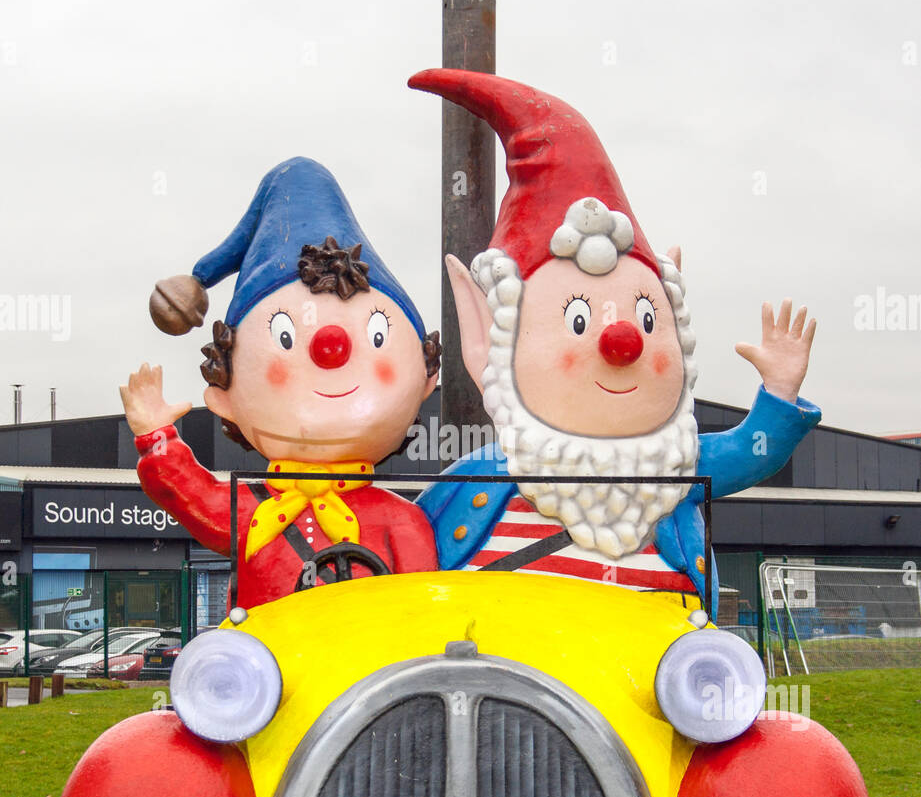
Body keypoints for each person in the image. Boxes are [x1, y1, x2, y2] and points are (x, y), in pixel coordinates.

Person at [409, 69, 819, 612]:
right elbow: (406, 561)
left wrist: (780, 393)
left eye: (648, 320)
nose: (622, 341)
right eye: (578, 321)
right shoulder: (475, 486)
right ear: (487, 338)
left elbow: (750, 452)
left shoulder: (673, 473)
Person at [122, 158, 440, 609]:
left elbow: (424, 609)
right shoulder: (251, 512)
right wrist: (157, 438)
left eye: (375, 336)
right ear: (223, 398)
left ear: (425, 382)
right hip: (268, 672)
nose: (332, 349)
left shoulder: (401, 521)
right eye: (285, 338)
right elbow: (191, 494)